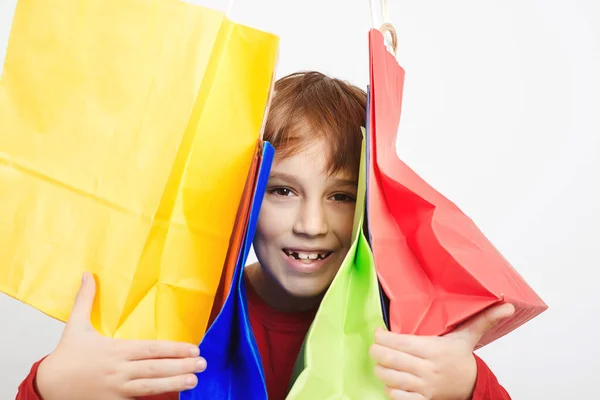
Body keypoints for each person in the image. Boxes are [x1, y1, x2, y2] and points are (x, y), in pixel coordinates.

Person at [16, 71, 514, 400]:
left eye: (341, 196)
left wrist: (468, 385)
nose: (312, 224)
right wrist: (50, 385)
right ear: (245, 196)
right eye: (282, 191)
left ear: (372, 205)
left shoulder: (402, 330)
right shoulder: (176, 316)